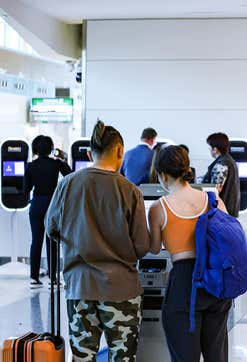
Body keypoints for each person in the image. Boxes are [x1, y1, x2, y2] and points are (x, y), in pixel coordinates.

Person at [46, 121, 151, 361]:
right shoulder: (130, 191)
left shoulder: (67, 184)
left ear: (88, 153)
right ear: (120, 151)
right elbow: (142, 247)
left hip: (80, 287)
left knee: (83, 357)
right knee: (122, 357)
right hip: (121, 290)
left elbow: (51, 229)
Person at [147, 145, 230, 362]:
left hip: (184, 283)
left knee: (185, 357)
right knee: (217, 355)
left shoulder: (159, 208)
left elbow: (154, 248)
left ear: (162, 175)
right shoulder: (213, 199)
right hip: (216, 283)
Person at [24, 135, 72, 288]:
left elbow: (26, 189)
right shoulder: (55, 164)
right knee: (52, 241)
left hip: (36, 204)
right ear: (51, 148)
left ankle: (34, 278)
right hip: (53, 205)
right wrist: (63, 158)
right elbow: (70, 176)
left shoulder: (30, 166)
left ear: (35, 148)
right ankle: (53, 278)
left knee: (36, 241)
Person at [201, 133, 240, 217]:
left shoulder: (221, 164)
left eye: (210, 148)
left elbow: (215, 189)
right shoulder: (229, 160)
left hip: (221, 212)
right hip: (228, 211)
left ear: (215, 149)